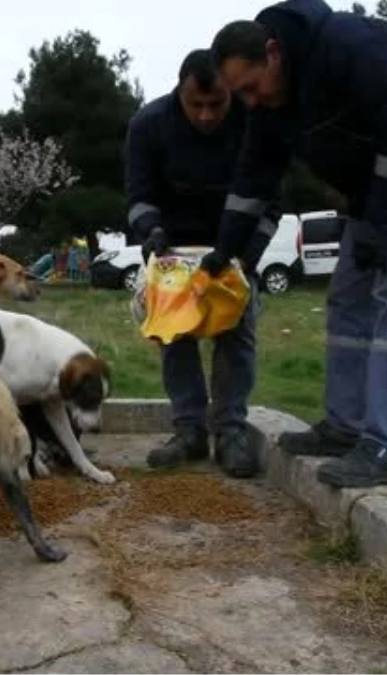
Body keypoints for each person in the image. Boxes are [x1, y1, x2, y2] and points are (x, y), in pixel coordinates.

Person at [201, 0, 387, 488]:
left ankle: (386, 447)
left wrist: (377, 225)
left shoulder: (353, 45)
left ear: (273, 53)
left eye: (250, 87)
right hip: (374, 190)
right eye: (238, 94)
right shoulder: (270, 103)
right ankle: (344, 426)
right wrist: (225, 250)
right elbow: (254, 177)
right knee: (348, 297)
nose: (249, 102)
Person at [124, 48, 262, 478]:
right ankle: (189, 431)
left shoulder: (253, 121)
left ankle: (231, 431)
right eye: (195, 104)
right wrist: (150, 231)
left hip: (232, 244)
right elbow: (137, 194)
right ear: (178, 93)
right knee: (174, 334)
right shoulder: (148, 124)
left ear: (230, 94)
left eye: (215, 104)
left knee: (236, 334)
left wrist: (245, 254)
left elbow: (269, 194)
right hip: (173, 247)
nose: (205, 115)